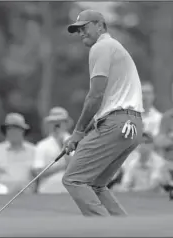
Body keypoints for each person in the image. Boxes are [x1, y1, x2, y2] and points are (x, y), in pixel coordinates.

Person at [62, 10, 143, 217]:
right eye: (78, 29)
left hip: (117, 123)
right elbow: (106, 102)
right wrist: (86, 131)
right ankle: (126, 231)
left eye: (85, 27)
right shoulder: (114, 47)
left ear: (100, 25)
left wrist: (78, 131)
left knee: (74, 178)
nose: (81, 32)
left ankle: (105, 231)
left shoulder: (102, 46)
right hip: (132, 126)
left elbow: (95, 95)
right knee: (96, 184)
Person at [0, 113, 36, 194]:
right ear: (5, 131)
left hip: (28, 198)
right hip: (1, 198)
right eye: (9, 129)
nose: (12, 132)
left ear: (23, 130)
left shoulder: (34, 151)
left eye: (16, 128)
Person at [32, 107, 72, 194]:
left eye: (60, 122)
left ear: (66, 124)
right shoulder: (42, 145)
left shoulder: (77, 142)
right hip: (48, 191)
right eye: (53, 122)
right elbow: (38, 172)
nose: (57, 125)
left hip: (71, 192)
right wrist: (61, 166)